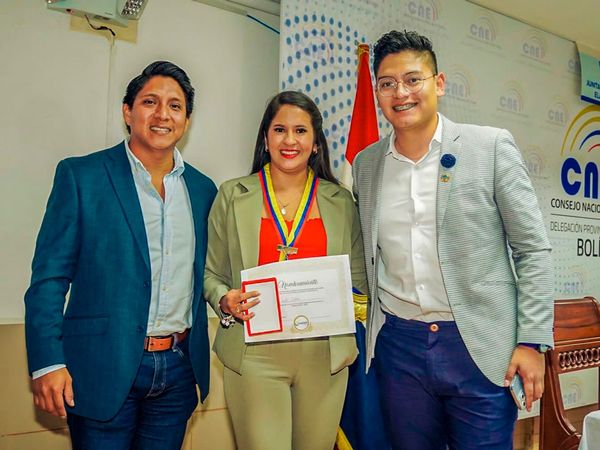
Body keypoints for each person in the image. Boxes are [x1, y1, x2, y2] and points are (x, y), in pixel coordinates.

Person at [352, 30, 554, 449]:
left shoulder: (489, 147)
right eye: (387, 84)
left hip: (478, 346)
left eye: (413, 79)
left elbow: (532, 248)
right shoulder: (366, 165)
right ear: (377, 93)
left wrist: (531, 341)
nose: (401, 93)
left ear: (439, 83)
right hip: (400, 348)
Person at [24, 61, 217, 450]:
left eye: (175, 106)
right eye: (150, 102)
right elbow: (49, 279)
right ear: (128, 112)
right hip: (101, 367)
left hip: (178, 370)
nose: (162, 114)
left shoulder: (203, 190)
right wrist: (47, 362)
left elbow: (208, 274)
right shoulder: (82, 176)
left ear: (186, 120)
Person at [204, 90, 368, 450]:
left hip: (325, 357)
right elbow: (210, 274)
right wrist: (225, 299)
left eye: (300, 131)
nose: (289, 140)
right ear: (266, 139)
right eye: (279, 130)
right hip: (253, 355)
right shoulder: (232, 195)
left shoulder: (342, 202)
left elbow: (360, 283)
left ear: (316, 143)